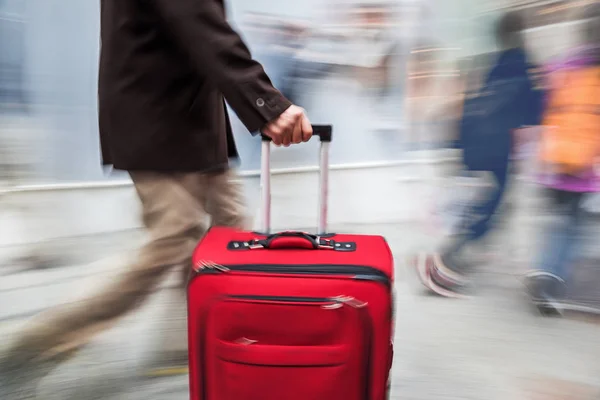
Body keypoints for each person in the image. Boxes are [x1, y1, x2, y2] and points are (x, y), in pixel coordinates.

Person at [0, 0, 312, 396]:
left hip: (187, 116)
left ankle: (181, 344)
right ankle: (40, 343)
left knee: (229, 224)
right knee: (173, 238)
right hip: (158, 115)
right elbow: (199, 21)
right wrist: (268, 103)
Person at [412, 10, 542, 297]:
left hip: (475, 148)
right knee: (487, 212)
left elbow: (472, 105)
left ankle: (451, 260)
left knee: (476, 207)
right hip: (499, 151)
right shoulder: (525, 66)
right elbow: (534, 112)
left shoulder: (492, 64)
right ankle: (442, 262)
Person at [525, 3, 600, 315]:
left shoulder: (562, 66)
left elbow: (542, 109)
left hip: (554, 162)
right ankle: (552, 284)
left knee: (557, 224)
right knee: (572, 226)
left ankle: (545, 273)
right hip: (584, 168)